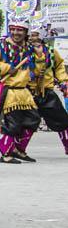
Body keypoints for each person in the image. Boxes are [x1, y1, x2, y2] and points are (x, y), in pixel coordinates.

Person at [0, 0, 45, 164]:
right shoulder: (0, 46)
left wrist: (39, 56)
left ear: (25, 31)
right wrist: (6, 67)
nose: (16, 33)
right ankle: (6, 153)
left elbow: (38, 71)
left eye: (20, 30)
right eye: (13, 29)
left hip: (24, 92)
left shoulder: (29, 49)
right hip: (9, 91)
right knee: (13, 124)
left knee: (33, 121)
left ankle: (19, 149)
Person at [27, 9, 68, 144]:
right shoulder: (23, 51)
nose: (33, 38)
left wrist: (64, 82)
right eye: (31, 35)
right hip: (28, 92)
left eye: (36, 35)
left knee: (62, 120)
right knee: (27, 122)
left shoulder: (50, 51)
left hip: (47, 92)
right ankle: (17, 150)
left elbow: (59, 67)